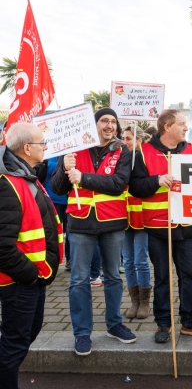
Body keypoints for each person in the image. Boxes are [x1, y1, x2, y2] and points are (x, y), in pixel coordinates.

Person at [51, 107, 136, 356]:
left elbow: (118, 184)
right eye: (104, 121)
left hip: (113, 221)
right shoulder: (72, 149)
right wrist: (66, 170)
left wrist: (83, 177)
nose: (110, 125)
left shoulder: (123, 150)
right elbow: (57, 186)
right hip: (80, 222)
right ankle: (82, 333)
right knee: (78, 280)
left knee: (113, 276)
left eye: (113, 121)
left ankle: (114, 324)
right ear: (93, 124)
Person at [129, 109, 192, 344]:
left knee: (188, 276)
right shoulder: (143, 153)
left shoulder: (191, 151)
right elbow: (134, 187)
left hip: (186, 225)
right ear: (167, 127)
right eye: (181, 124)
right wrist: (157, 181)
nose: (186, 128)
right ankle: (163, 325)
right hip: (157, 226)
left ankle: (190, 323)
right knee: (162, 278)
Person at [0, 123, 62, 388]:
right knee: (14, 343)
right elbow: (3, 246)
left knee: (25, 335)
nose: (45, 147)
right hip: (20, 280)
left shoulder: (25, 175)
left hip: (34, 277)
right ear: (27, 148)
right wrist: (31, 274)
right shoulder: (8, 183)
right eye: (41, 143)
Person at [121, 125, 151, 319]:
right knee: (128, 260)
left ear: (139, 140)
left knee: (141, 259)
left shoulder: (145, 158)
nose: (125, 142)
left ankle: (145, 302)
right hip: (123, 214)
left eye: (129, 138)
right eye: (123, 138)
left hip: (140, 214)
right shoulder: (120, 158)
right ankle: (134, 301)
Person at [44, 156, 71, 271]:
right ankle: (53, 260)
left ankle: (70, 260)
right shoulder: (53, 149)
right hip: (55, 198)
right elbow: (47, 167)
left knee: (71, 233)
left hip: (71, 199)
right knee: (54, 232)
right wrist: (64, 165)